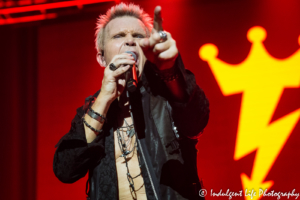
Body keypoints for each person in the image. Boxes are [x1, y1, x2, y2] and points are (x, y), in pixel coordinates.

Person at [53, 3, 209, 200]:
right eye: (119, 36)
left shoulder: (167, 96)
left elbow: (197, 120)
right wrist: (104, 99)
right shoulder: (92, 110)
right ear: (101, 58)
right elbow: (65, 170)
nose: (129, 41)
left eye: (137, 36)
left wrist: (171, 70)